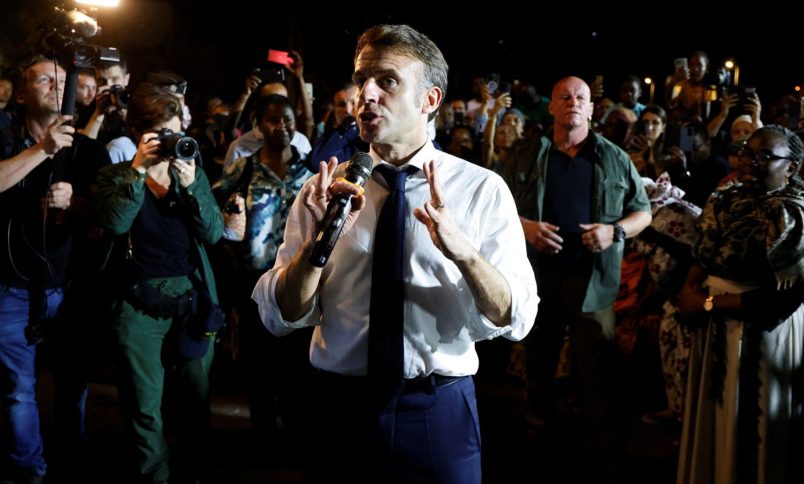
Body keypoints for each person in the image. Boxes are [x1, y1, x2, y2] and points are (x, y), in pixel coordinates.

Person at [252, 24, 538, 483]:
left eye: (387, 80)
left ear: (430, 100)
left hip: (436, 408)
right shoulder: (324, 189)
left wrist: (463, 251)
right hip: (338, 406)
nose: (365, 92)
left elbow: (515, 316)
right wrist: (317, 244)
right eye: (361, 78)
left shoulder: (480, 190)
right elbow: (282, 313)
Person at [502, 75, 651, 482]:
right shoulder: (527, 154)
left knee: (597, 370)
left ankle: (603, 456)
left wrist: (614, 231)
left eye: (580, 98)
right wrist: (527, 227)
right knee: (539, 365)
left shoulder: (614, 157)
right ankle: (539, 446)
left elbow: (643, 212)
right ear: (551, 107)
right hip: (539, 279)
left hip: (593, 280)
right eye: (564, 97)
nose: (572, 102)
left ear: (591, 109)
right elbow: (494, 211)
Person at [676, 125, 804, 484]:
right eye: (748, 152)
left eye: (765, 156)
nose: (750, 162)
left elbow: (782, 300)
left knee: (751, 423)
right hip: (715, 321)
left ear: (791, 168)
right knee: (716, 419)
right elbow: (703, 251)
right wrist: (690, 291)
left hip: (759, 332)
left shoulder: (795, 215)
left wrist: (708, 303)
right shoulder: (728, 199)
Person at [95, 83, 223, 484]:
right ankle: (156, 477)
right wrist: (137, 170)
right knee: (144, 406)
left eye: (176, 133)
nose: (172, 143)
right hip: (137, 307)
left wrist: (189, 184)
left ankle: (194, 469)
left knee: (196, 400)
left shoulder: (191, 170)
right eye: (161, 135)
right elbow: (114, 222)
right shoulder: (114, 175)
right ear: (140, 133)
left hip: (188, 301)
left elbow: (214, 232)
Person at [0, 55, 109, 484]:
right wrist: (41, 150)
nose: (55, 85)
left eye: (63, 79)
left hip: (68, 287)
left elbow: (108, 221)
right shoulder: (5, 136)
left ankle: (71, 456)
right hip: (9, 285)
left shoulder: (88, 150)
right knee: (17, 390)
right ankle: (30, 472)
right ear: (23, 93)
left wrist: (75, 204)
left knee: (72, 384)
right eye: (44, 79)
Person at [211, 93, 314, 457]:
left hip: (300, 286)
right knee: (259, 366)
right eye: (272, 120)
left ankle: (296, 438)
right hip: (254, 285)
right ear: (258, 124)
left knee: (297, 365)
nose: (281, 127)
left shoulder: (311, 174)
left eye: (287, 119)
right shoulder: (244, 170)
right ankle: (265, 440)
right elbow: (216, 216)